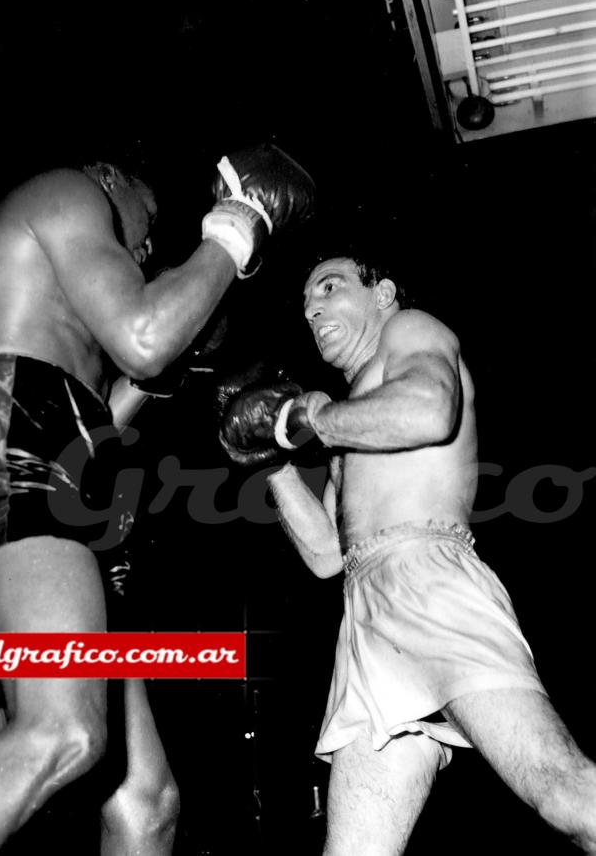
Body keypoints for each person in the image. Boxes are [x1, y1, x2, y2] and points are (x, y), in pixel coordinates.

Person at [0, 143, 315, 856]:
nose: (145, 247)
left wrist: (169, 370)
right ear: (111, 179)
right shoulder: (68, 191)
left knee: (146, 804)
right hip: (7, 440)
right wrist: (237, 223)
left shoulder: (57, 302)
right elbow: (143, 335)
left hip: (54, 459)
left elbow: (103, 409)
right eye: (144, 224)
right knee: (61, 731)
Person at [218, 248, 596, 855]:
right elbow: (324, 554)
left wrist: (312, 417)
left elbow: (428, 409)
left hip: (430, 578)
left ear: (384, 292)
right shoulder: (352, 417)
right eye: (307, 304)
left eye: (331, 288)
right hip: (366, 613)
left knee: (563, 793)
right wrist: (274, 461)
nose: (313, 309)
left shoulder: (411, 331)